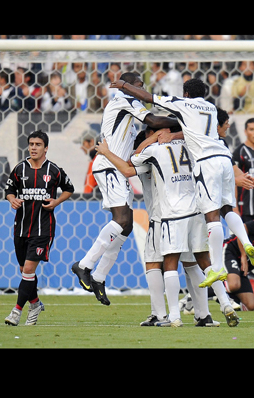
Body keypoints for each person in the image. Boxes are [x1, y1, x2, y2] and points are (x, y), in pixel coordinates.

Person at [109, 77, 254, 290]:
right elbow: (194, 131)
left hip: (204, 165)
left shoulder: (183, 104)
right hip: (224, 157)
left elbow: (148, 97)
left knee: (212, 217)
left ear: (186, 94)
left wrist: (124, 86)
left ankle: (218, 267)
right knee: (227, 208)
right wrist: (175, 135)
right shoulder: (211, 107)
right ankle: (246, 242)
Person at [95, 124, 237, 327]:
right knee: (197, 263)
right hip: (196, 210)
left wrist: (106, 152)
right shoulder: (192, 146)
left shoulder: (152, 153)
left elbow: (127, 168)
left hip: (164, 216)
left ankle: (165, 315)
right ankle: (213, 310)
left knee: (157, 263)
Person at [71, 71, 182, 305]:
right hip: (109, 166)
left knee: (126, 226)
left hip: (118, 169)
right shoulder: (124, 100)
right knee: (121, 220)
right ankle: (84, 265)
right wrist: (183, 120)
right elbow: (153, 121)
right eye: (138, 86)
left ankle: (99, 277)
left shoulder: (130, 112)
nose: (142, 91)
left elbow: (140, 137)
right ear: (128, 86)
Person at [3, 130, 74, 326]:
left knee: (28, 269)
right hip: (21, 227)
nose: (33, 148)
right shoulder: (19, 169)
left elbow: (69, 188)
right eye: (31, 144)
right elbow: (9, 189)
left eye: (38, 144)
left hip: (43, 228)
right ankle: (34, 304)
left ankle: (16, 311)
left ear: (46, 148)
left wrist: (56, 202)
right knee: (24, 270)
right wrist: (12, 199)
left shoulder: (54, 170)